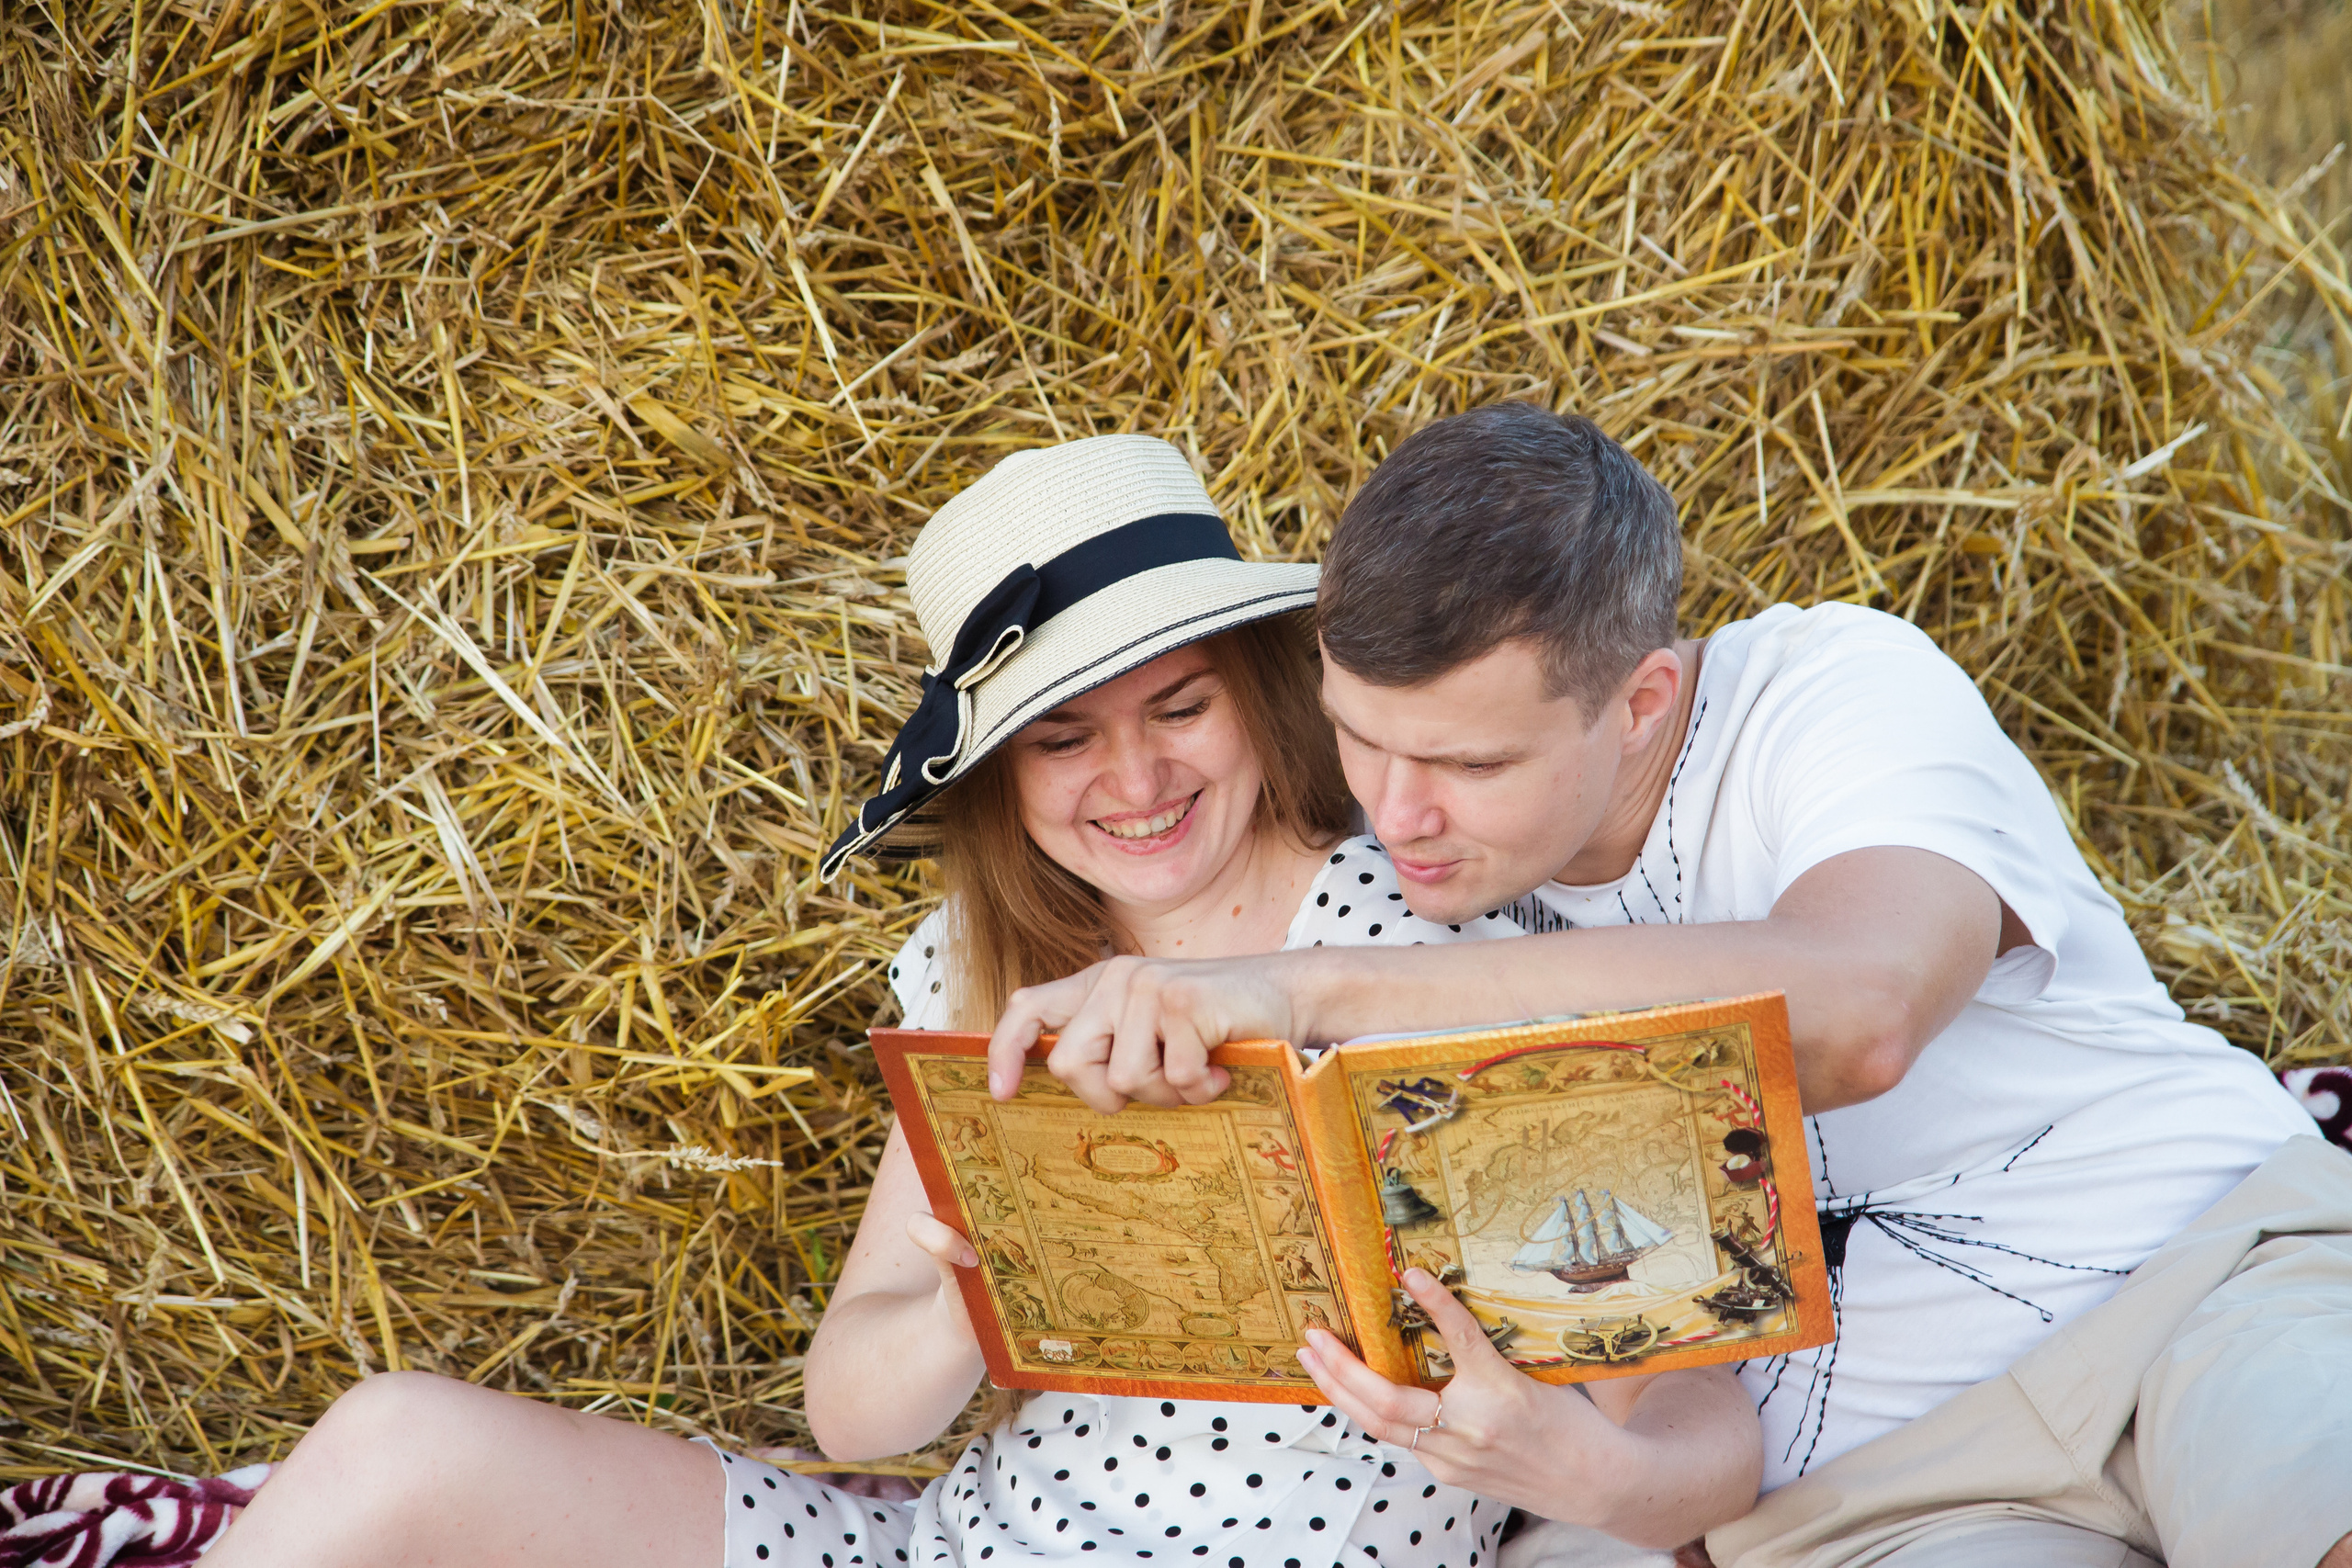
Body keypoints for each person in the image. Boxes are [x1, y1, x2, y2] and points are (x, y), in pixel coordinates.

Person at [193, 434, 1760, 1568]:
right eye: (1063, 737)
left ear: (1259, 692)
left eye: (1179, 707)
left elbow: (1707, 1431)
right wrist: (983, 1278)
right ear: (1002, 770)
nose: (1134, 779)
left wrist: (1567, 1461)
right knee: (399, 1440)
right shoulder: (996, 963)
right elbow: (854, 1407)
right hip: (964, 1550)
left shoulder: (1447, 924)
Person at [984, 406, 2352, 1567]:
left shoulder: (1833, 693)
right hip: (1890, 1494)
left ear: (1641, 702)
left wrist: (1311, 993)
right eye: (1358, 739)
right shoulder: (1405, 900)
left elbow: (1863, 1012)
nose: (1397, 816)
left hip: (2207, 1276)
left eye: (1469, 766)